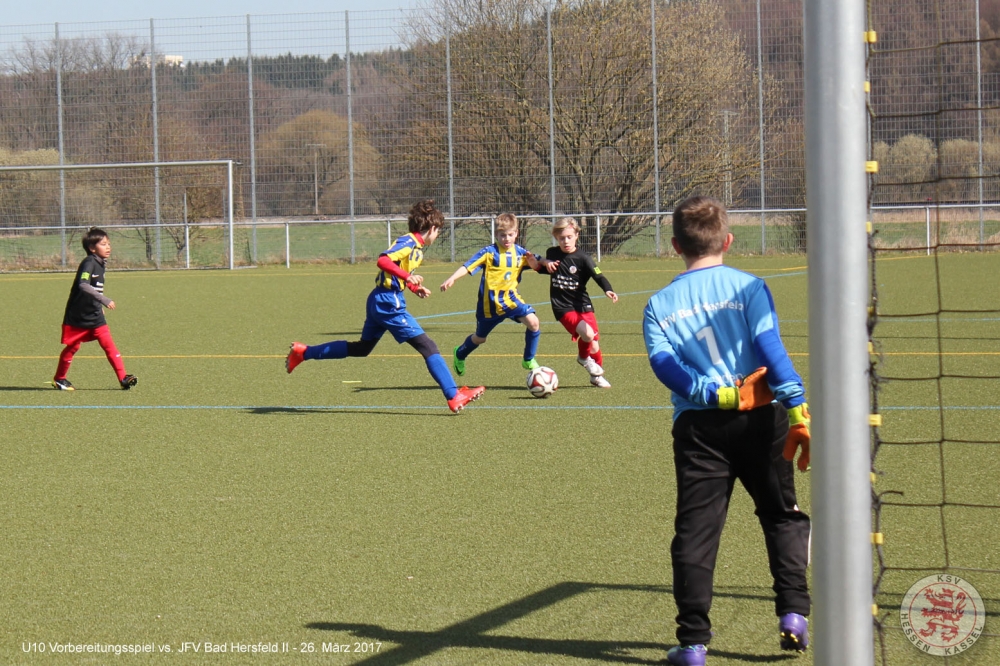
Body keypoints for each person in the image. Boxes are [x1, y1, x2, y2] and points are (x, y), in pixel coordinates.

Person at [642, 196, 811, 666]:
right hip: (763, 418)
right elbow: (769, 346)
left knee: (696, 532)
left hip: (699, 427)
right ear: (728, 240)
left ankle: (693, 644)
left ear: (676, 245)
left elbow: (664, 365)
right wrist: (797, 408)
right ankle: (794, 613)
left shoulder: (658, 305)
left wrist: (712, 394)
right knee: (781, 515)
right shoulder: (751, 286)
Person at [285, 199, 485, 414]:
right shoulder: (408, 242)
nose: (437, 236)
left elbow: (395, 271)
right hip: (389, 302)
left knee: (362, 349)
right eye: (438, 231)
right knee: (427, 346)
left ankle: (304, 353)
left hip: (380, 299)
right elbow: (383, 261)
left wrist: (412, 286)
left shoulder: (416, 248)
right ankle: (453, 395)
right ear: (432, 228)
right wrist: (407, 277)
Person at [440, 213, 542, 376]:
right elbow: (467, 266)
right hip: (489, 306)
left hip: (511, 301)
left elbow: (538, 262)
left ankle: (528, 359)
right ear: (496, 234)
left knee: (534, 323)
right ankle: (460, 353)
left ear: (516, 233)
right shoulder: (489, 252)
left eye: (510, 235)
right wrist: (452, 278)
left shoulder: (521, 253)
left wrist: (540, 263)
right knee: (480, 338)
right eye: (502, 235)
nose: (506, 239)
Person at [532, 217, 617, 388]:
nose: (566, 241)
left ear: (577, 235)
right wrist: (542, 262)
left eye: (569, 237)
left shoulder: (583, 258)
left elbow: (598, 275)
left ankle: (596, 376)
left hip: (583, 304)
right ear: (556, 238)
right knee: (588, 334)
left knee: (594, 345)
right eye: (562, 238)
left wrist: (607, 289)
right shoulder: (552, 253)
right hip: (562, 307)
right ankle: (583, 358)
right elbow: (540, 267)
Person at [53, 228, 138, 391]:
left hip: (95, 314)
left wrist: (98, 306)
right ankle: (59, 379)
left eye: (109, 244)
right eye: (103, 244)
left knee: (108, 344)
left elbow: (95, 288)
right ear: (92, 248)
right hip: (79, 316)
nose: (108, 247)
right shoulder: (89, 263)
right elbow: (83, 285)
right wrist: (104, 300)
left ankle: (123, 378)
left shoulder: (100, 263)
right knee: (73, 347)